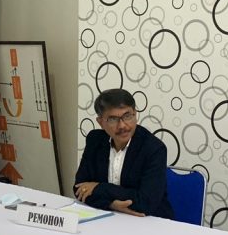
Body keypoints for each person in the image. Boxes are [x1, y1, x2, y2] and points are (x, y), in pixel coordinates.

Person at [73, 88, 172, 218]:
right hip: (107, 217)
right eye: (113, 119)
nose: (122, 126)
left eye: (127, 116)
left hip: (149, 220)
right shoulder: (95, 140)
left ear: (135, 115)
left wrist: (99, 187)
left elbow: (145, 203)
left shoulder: (154, 148)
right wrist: (112, 205)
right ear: (101, 122)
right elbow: (79, 189)